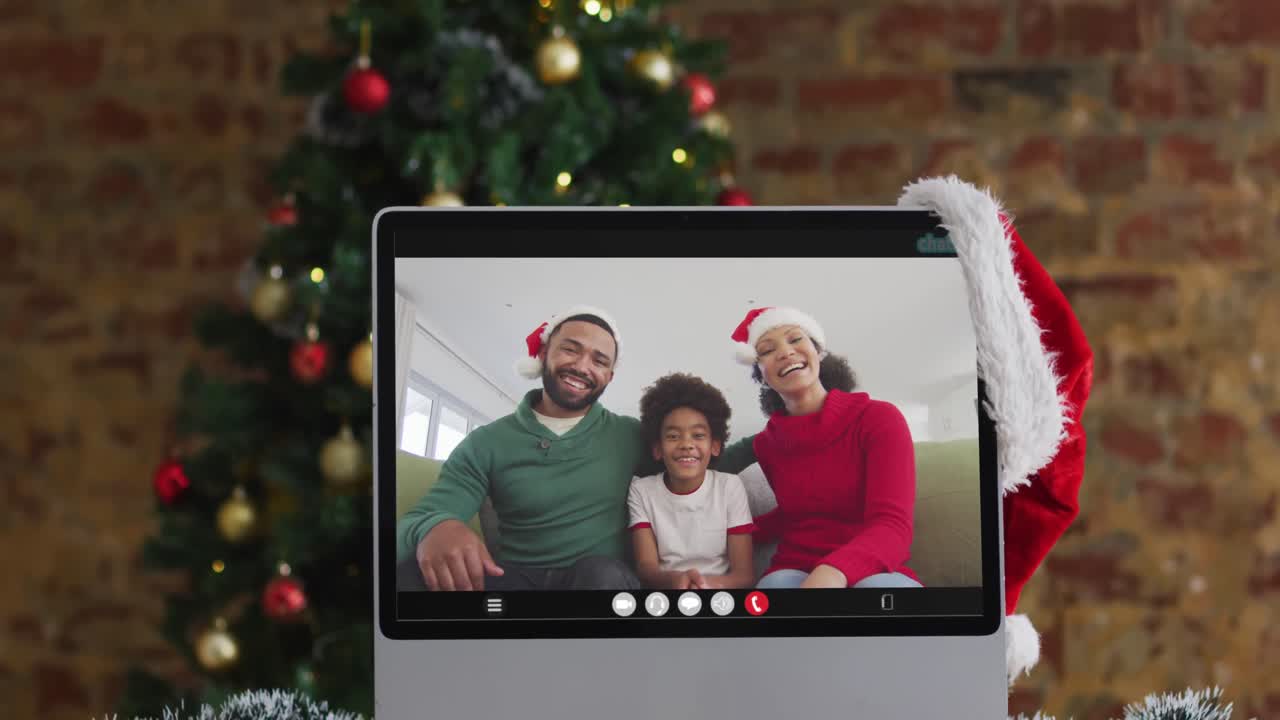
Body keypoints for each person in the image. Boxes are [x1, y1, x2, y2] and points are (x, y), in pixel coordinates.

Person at [396, 306, 756, 592]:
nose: (582, 366)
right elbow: (417, 520)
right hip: (515, 580)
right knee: (410, 575)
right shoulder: (485, 442)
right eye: (571, 349)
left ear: (609, 376)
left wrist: (782, 430)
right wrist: (436, 527)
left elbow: (704, 459)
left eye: (600, 360)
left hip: (600, 583)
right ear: (544, 353)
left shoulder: (627, 435)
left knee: (599, 575)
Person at [729, 306, 923, 590]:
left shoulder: (879, 418)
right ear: (761, 374)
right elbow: (793, 513)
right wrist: (728, 533)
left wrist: (832, 572)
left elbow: (892, 524)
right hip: (793, 569)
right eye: (768, 350)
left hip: (871, 566)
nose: (785, 352)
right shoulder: (766, 444)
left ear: (818, 351)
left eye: (795, 339)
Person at [627, 373, 755, 590]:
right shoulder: (641, 490)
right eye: (673, 436)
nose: (686, 444)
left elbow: (744, 576)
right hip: (666, 593)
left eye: (698, 435)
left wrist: (703, 586)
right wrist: (677, 581)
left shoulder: (730, 486)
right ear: (657, 449)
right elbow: (646, 569)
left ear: (715, 446)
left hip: (719, 593)